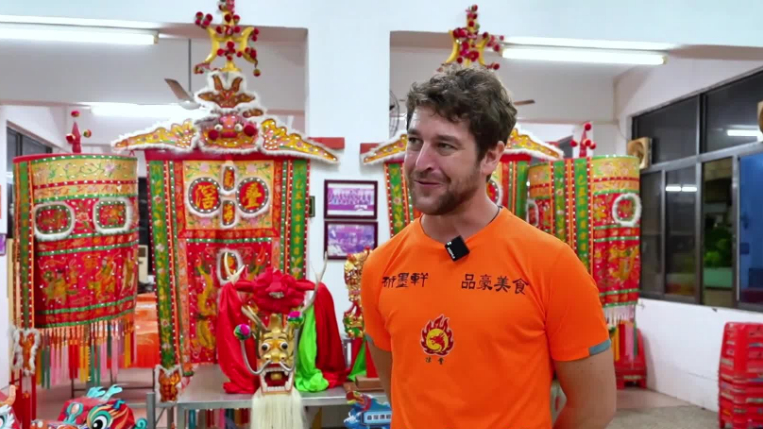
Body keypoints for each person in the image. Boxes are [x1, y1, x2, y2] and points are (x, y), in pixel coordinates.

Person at [360, 65, 616, 429]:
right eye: (415, 141)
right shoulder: (382, 267)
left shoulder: (551, 265)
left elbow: (594, 408)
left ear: (491, 157)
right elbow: (397, 388)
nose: (421, 162)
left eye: (444, 146)